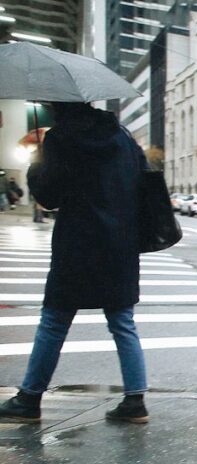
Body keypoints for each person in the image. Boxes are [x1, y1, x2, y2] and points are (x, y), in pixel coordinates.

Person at [0, 102, 150, 425]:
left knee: (54, 322)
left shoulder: (60, 138)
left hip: (77, 244)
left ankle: (29, 398)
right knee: (123, 323)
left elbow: (49, 196)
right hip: (119, 244)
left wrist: (36, 166)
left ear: (58, 106)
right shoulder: (123, 138)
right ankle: (135, 400)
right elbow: (141, 183)